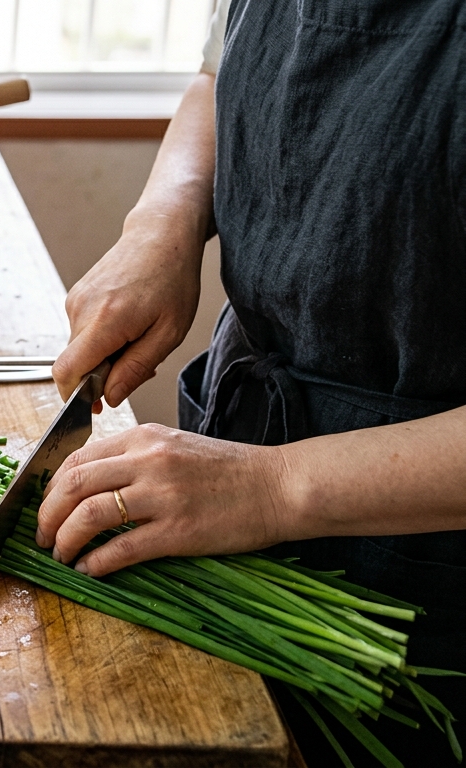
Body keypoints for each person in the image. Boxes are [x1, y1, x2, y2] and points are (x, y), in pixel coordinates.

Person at [34, 0, 465, 763]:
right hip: (244, 438)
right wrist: (162, 222)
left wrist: (272, 487)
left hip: (428, 564)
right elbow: (218, 74)